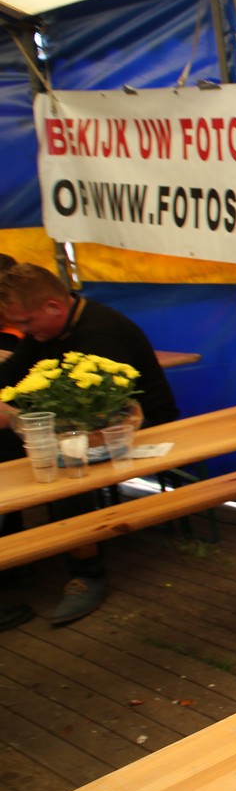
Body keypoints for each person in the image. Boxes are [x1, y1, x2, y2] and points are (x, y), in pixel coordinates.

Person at [0, 263, 180, 627]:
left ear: (53, 306)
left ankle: (86, 571)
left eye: (26, 322)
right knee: (10, 445)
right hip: (90, 423)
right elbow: (12, 373)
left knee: (65, 459)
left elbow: (96, 414)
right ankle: (14, 553)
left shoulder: (101, 334)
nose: (24, 331)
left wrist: (16, 417)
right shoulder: (47, 329)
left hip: (142, 425)